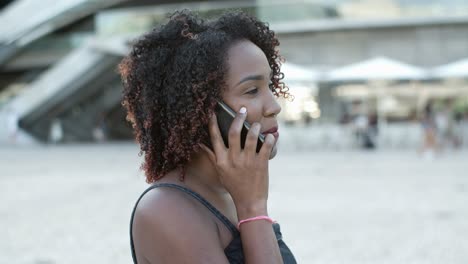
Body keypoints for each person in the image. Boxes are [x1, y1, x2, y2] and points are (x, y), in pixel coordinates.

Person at [118, 10, 296, 264]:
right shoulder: (167, 210)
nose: (274, 106)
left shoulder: (231, 191)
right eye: (252, 90)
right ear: (202, 109)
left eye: (270, 85)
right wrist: (253, 209)